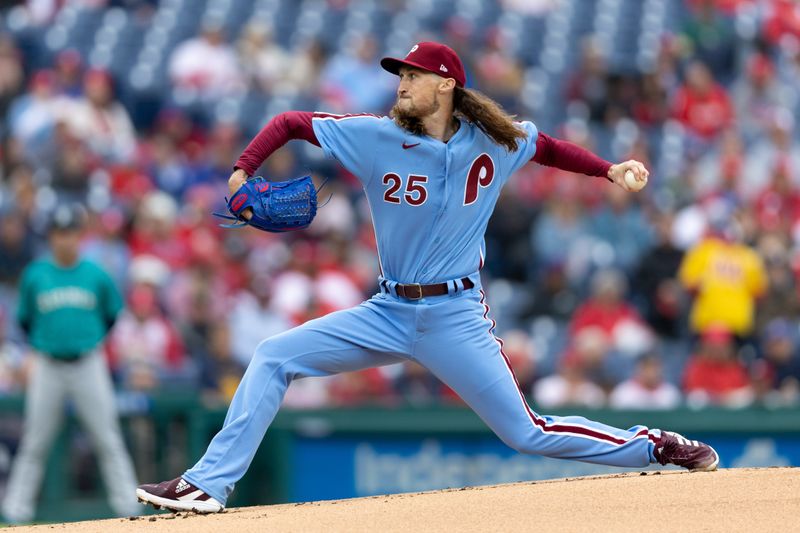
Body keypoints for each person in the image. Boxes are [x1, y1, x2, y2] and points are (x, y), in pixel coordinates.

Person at [137, 41, 719, 514]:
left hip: (455, 317)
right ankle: (207, 484)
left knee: (527, 433)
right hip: (387, 312)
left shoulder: (496, 140)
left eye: (412, 76)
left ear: (446, 85)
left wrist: (608, 169)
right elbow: (290, 121)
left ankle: (656, 445)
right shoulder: (374, 136)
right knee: (273, 355)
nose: (401, 85)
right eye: (399, 76)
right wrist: (242, 171)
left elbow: (547, 147)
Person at [2, 204, 140, 524]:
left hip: (88, 363)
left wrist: (86, 341)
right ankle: (14, 514)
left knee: (108, 438)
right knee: (35, 442)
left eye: (71, 232)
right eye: (59, 233)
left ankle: (129, 509)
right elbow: (24, 321)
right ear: (51, 236)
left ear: (80, 235)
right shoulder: (35, 274)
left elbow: (111, 315)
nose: (65, 240)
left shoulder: (96, 274)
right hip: (47, 364)